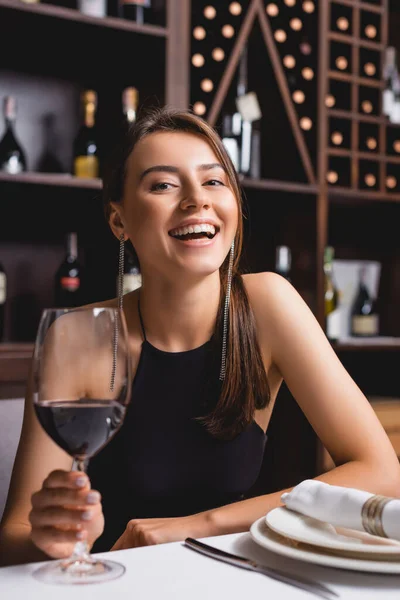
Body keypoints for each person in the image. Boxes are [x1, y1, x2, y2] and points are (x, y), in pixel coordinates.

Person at [1, 107, 399, 566]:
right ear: (119, 222)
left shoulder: (269, 304)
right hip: (109, 581)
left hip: (224, 578)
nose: (196, 200)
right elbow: (14, 537)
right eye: (164, 185)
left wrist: (196, 526)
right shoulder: (73, 336)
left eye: (213, 181)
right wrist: (52, 540)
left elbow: (382, 472)